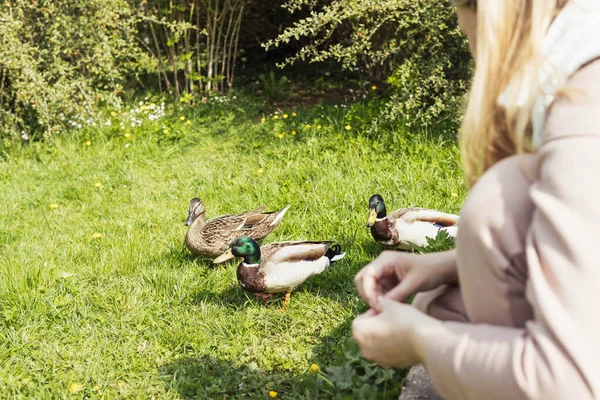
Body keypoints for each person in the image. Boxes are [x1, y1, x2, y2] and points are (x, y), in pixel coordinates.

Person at [352, 0, 600, 399]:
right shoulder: (579, 68)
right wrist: (444, 265)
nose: (473, 59)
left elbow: (570, 383)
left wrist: (419, 339)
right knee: (446, 295)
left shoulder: (584, 107)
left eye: (468, 38)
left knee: (502, 196)